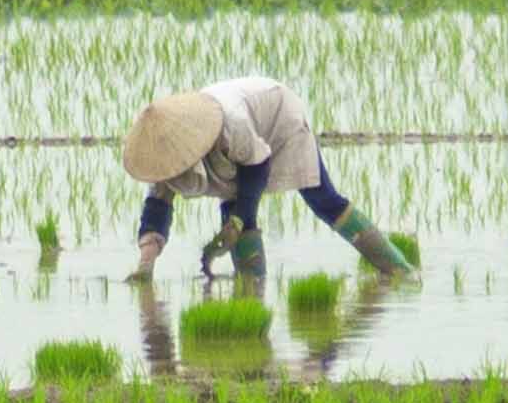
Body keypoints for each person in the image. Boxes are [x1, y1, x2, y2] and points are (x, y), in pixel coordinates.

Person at [122, 75, 406, 280]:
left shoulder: (230, 125)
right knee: (234, 211)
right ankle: (252, 288)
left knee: (322, 199)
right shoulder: (164, 154)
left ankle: (398, 269)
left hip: (276, 117)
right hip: (242, 143)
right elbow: (157, 207)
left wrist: (238, 219)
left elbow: (256, 169)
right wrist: (146, 262)